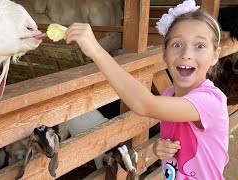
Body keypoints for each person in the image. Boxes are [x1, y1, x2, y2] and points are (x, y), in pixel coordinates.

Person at [64, 0, 229, 179]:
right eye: (176, 44)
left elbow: (144, 104)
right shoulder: (168, 95)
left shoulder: (210, 101)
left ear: (215, 55)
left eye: (200, 46)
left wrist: (96, 51)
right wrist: (161, 146)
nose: (186, 54)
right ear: (164, 53)